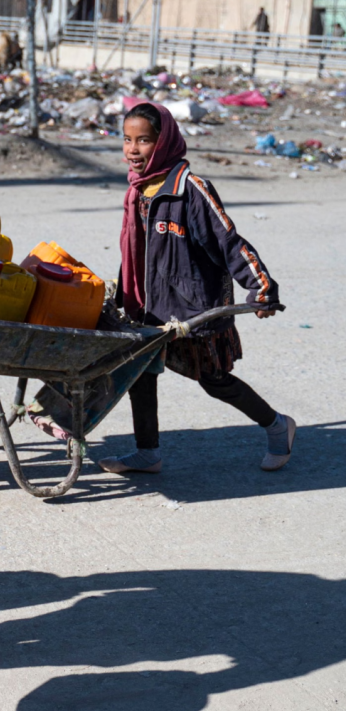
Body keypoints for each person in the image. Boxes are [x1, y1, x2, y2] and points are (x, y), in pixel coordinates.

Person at [98, 103, 295, 476]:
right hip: (150, 309)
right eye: (127, 140)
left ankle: (277, 425)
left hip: (193, 308)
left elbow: (229, 243)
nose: (133, 149)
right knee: (140, 375)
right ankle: (148, 453)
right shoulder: (137, 191)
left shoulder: (191, 190)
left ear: (164, 141)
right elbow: (137, 253)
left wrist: (261, 287)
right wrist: (124, 295)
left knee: (215, 380)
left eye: (144, 140)